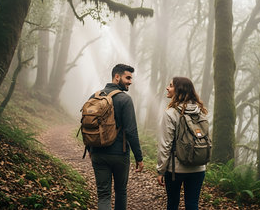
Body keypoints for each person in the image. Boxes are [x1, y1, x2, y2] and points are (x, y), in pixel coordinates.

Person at [89, 63, 144, 210]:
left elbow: (88, 125)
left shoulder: (95, 96)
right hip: (120, 154)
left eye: (131, 78)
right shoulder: (125, 100)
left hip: (98, 153)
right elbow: (131, 131)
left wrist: (90, 149)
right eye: (127, 78)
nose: (130, 81)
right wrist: (139, 157)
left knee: (103, 195)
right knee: (121, 192)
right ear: (117, 76)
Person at [156, 77, 208, 210]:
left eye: (171, 86)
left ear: (179, 90)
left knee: (173, 203)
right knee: (192, 204)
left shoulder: (170, 113)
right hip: (198, 167)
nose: (167, 88)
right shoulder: (201, 111)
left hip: (176, 169)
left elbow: (165, 145)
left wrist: (161, 170)